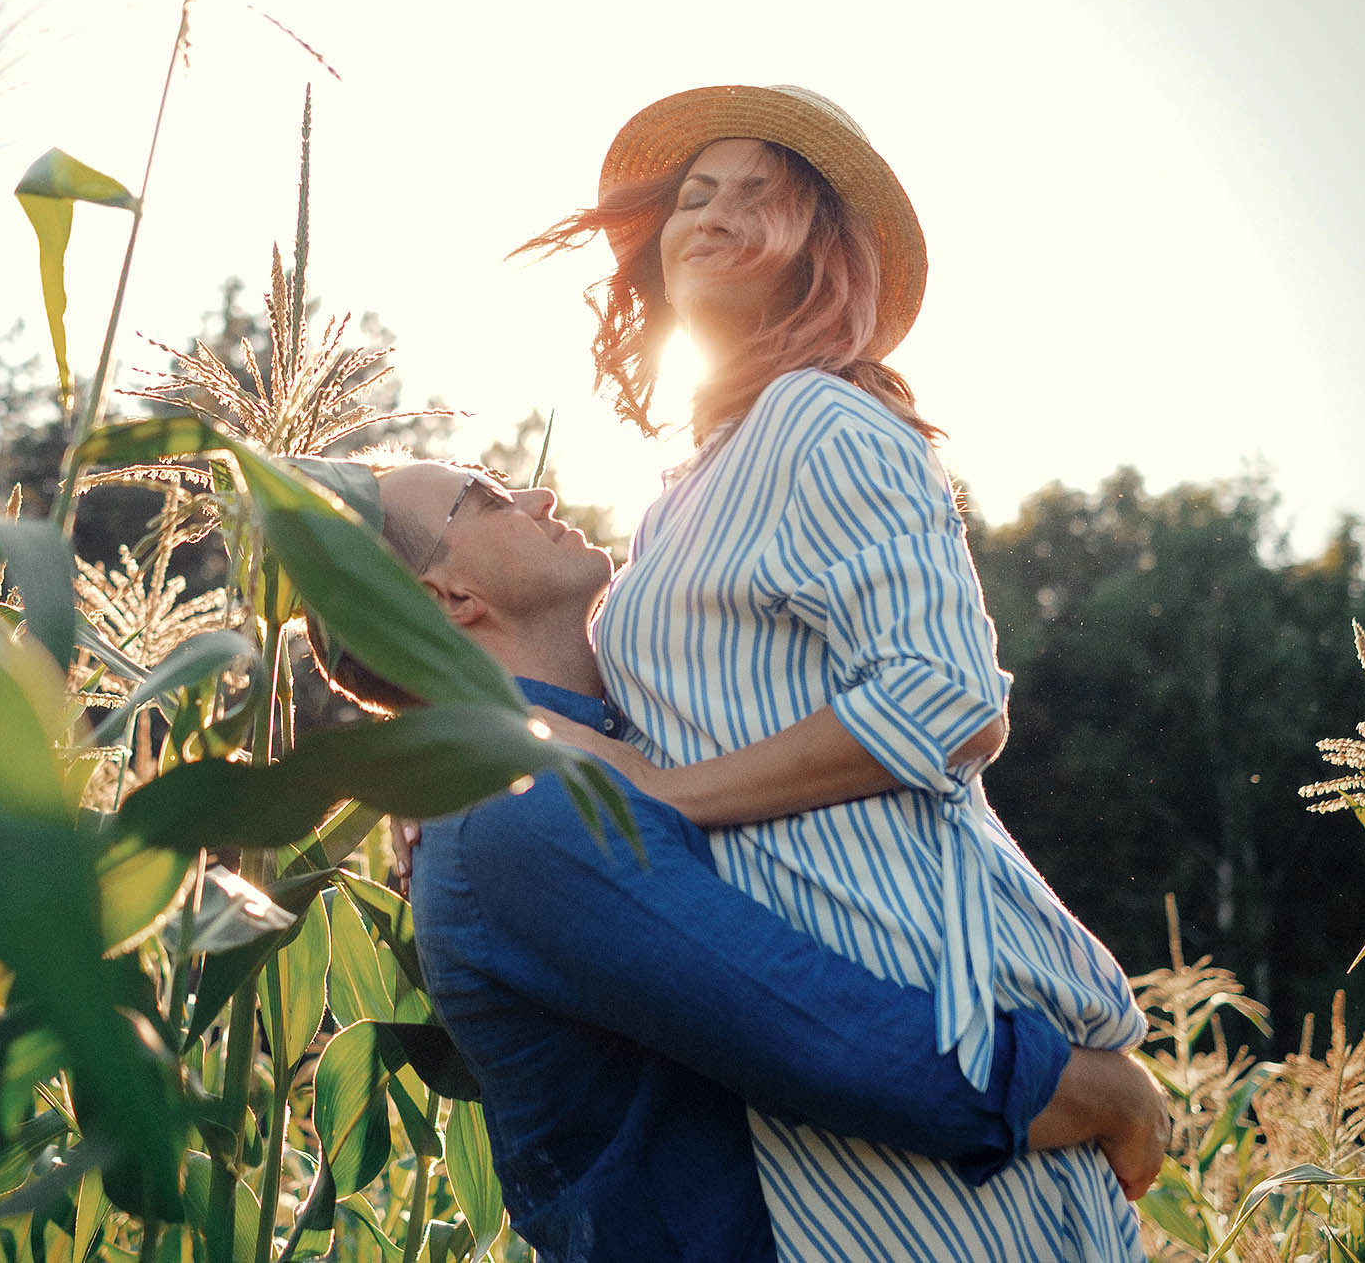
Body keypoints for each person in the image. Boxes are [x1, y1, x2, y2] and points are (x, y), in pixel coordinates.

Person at [511, 85, 1153, 1261]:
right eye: (693, 194)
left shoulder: (820, 421)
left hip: (903, 972)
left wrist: (658, 795)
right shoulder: (691, 484)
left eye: (758, 192)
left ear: (822, 248)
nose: (711, 212)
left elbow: (945, 701)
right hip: (802, 994)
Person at [310, 458, 1168, 1263]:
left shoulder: (593, 757)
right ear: (446, 595)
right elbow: (821, 1037)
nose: (539, 499)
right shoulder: (515, 806)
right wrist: (1104, 1094)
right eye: (490, 497)